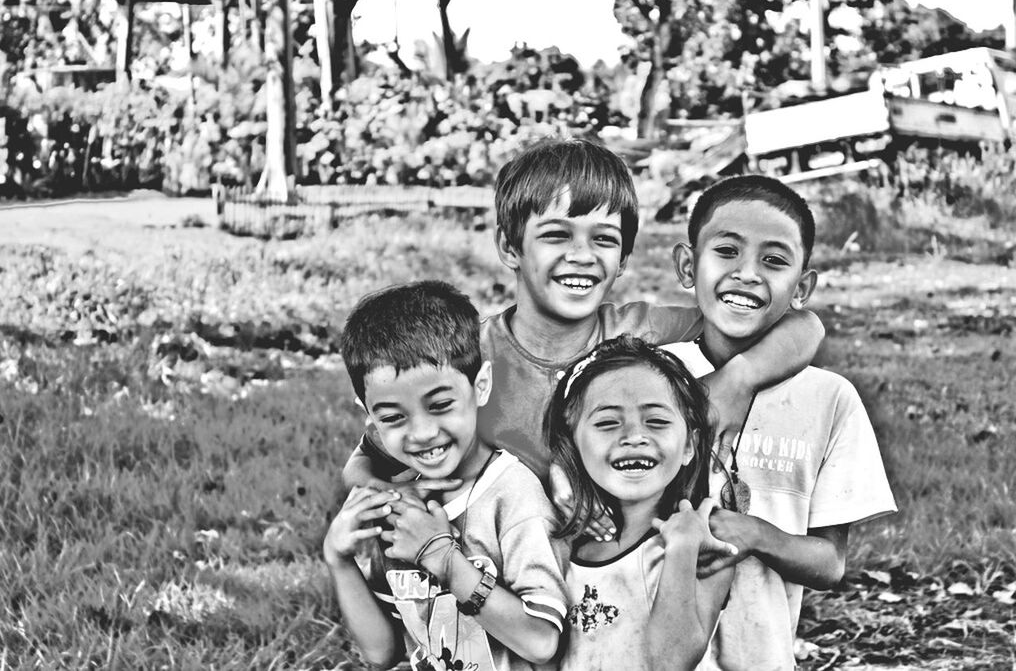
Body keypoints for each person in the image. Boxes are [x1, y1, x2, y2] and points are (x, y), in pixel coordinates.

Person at [343, 138, 825, 538]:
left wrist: (737, 380)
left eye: (603, 239)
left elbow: (803, 326)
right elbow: (365, 460)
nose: (581, 256)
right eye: (556, 235)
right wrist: (391, 494)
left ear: (625, 258)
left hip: (621, 579)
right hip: (508, 590)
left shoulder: (643, 335)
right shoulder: (469, 358)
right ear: (510, 247)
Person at [665, 175, 898, 670]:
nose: (748, 273)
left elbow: (830, 564)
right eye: (726, 251)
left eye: (774, 260)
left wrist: (754, 535)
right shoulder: (648, 377)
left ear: (802, 286)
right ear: (688, 266)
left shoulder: (829, 400)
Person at [323, 280, 568, 671]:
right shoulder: (401, 506)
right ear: (368, 414)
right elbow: (383, 652)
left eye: (440, 405)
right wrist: (338, 559)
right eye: (392, 417)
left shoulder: (512, 494)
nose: (422, 432)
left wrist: (441, 556)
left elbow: (541, 642)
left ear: (480, 385)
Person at [544, 334, 737, 671]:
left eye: (657, 421)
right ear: (573, 444)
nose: (634, 435)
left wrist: (681, 548)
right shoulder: (561, 546)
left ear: (690, 445)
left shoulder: (706, 545)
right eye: (607, 422)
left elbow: (673, 662)